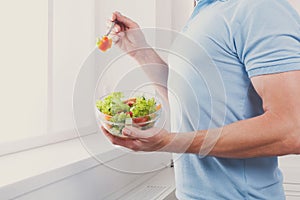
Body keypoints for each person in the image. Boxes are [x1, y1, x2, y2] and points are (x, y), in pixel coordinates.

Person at [102, 0, 300, 199]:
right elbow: (192, 104)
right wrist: (141, 52)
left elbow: (292, 130)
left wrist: (168, 142)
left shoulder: (259, 8)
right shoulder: (204, 11)